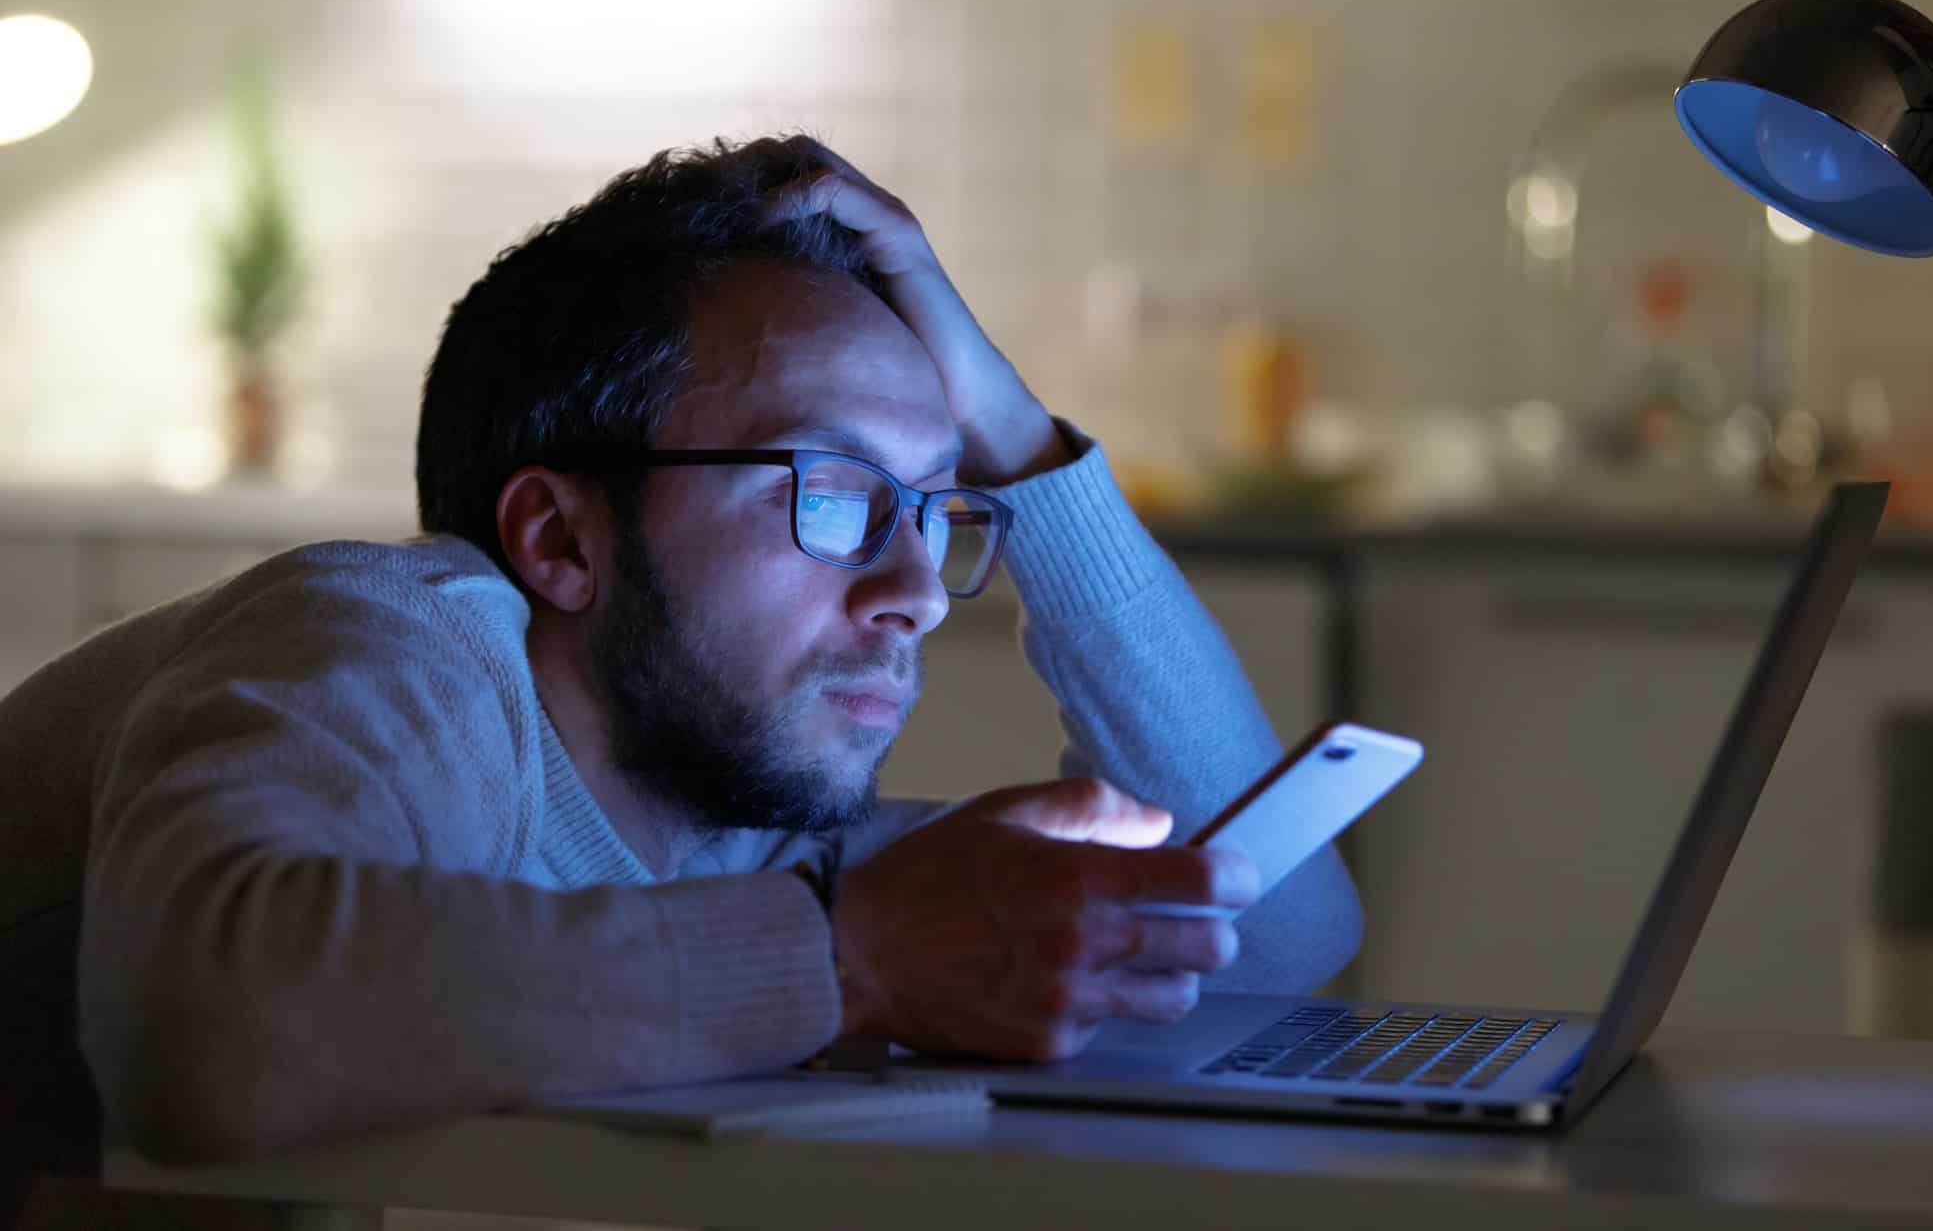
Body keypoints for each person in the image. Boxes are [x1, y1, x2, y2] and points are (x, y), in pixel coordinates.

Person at [0, 136, 1361, 1181]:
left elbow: (1280, 931)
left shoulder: (731, 835)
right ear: (559, 538)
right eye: (831, 493)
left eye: (940, 511)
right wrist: (857, 956)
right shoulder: (387, 643)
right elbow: (201, 1030)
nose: (917, 593)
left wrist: (1012, 430)